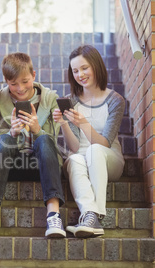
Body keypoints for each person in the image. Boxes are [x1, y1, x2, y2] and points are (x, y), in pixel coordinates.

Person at [0, 52, 66, 238]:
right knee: (5, 140)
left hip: (43, 163)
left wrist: (36, 130)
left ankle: (54, 214)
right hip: (11, 163)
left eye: (25, 81)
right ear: (6, 81)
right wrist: (12, 133)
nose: (20, 88)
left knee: (43, 139)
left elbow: (52, 140)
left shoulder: (50, 98)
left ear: (34, 75)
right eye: (13, 84)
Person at [53, 45, 125, 238]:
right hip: (82, 158)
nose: (80, 74)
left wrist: (83, 123)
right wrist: (64, 124)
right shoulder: (72, 101)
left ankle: (97, 215)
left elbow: (105, 144)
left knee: (94, 150)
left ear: (96, 66)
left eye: (84, 68)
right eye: (75, 71)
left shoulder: (115, 100)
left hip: (109, 160)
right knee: (75, 158)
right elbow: (75, 147)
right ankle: (89, 215)